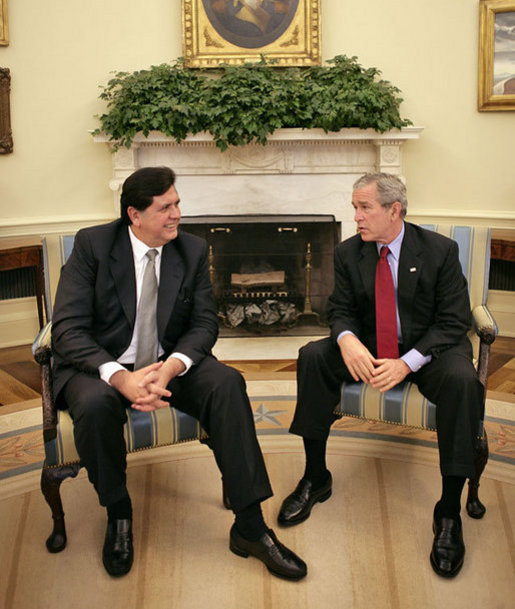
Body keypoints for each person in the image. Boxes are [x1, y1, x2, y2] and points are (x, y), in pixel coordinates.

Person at [51, 166, 306, 581]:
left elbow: (205, 324)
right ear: (134, 214)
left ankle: (251, 526)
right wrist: (122, 378)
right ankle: (118, 513)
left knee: (227, 383)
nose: (177, 214)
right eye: (165, 207)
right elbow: (67, 329)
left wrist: (168, 370)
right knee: (96, 406)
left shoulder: (190, 250)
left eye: (178, 203)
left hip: (166, 363)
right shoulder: (93, 246)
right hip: (99, 364)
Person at [278, 172, 484, 579]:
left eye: (364, 207)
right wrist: (348, 340)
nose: (355, 217)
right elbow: (338, 309)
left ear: (394, 210)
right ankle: (316, 477)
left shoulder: (440, 251)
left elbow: (453, 321)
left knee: (463, 381)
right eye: (354, 207)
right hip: (370, 349)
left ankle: (447, 511)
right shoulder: (348, 252)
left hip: (428, 351)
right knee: (312, 356)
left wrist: (407, 362)